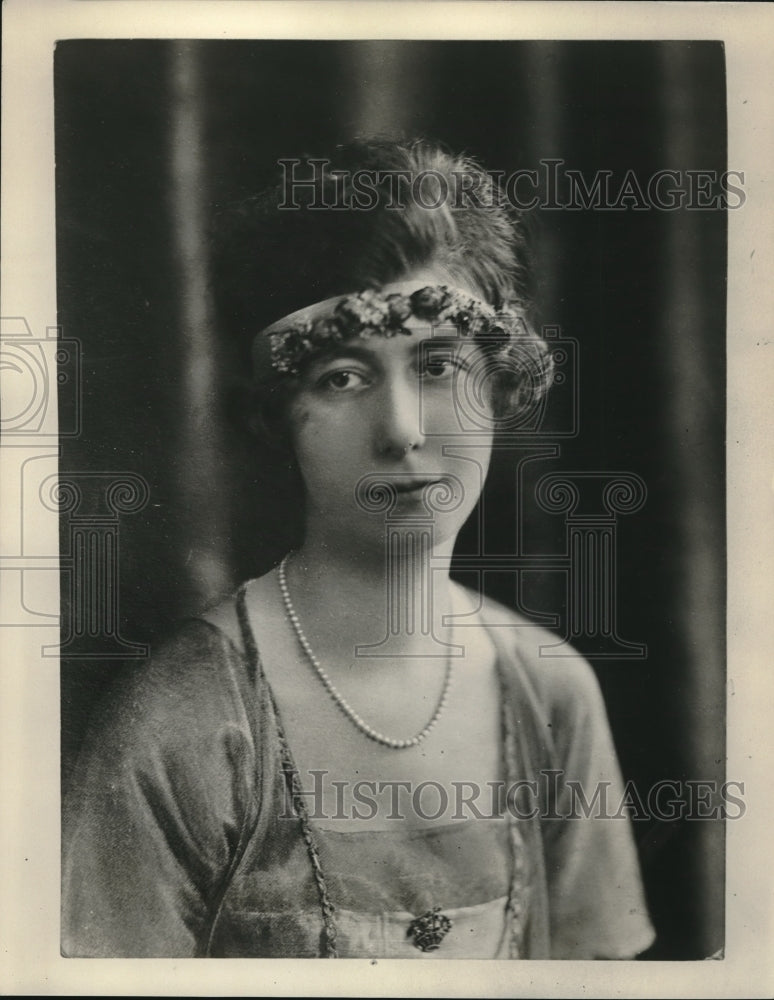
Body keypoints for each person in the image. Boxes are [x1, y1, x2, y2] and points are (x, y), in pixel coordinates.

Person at [61, 138, 655, 959]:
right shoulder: (181, 728)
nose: (404, 432)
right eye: (342, 378)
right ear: (277, 416)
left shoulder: (551, 692)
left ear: (501, 382)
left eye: (440, 365)